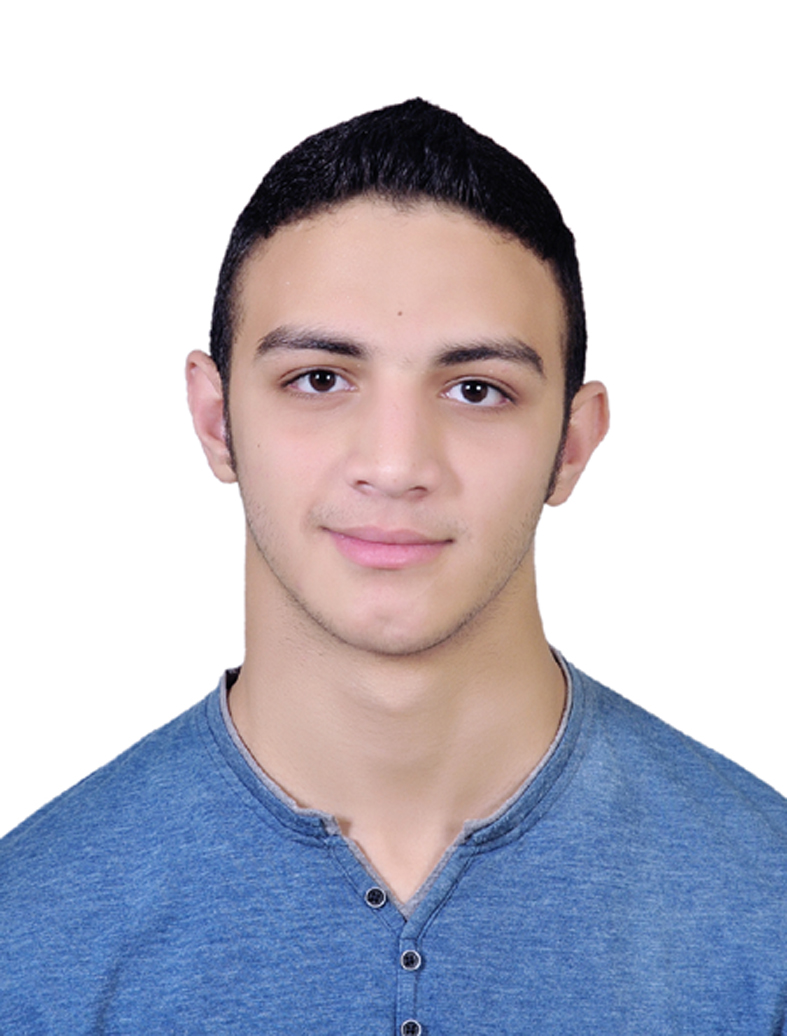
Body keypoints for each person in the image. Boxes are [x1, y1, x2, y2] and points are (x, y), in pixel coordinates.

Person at [1, 98, 785, 1035]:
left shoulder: (766, 912)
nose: (396, 463)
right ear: (216, 421)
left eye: (476, 390)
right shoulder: (26, 941)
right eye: (319, 379)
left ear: (572, 445)